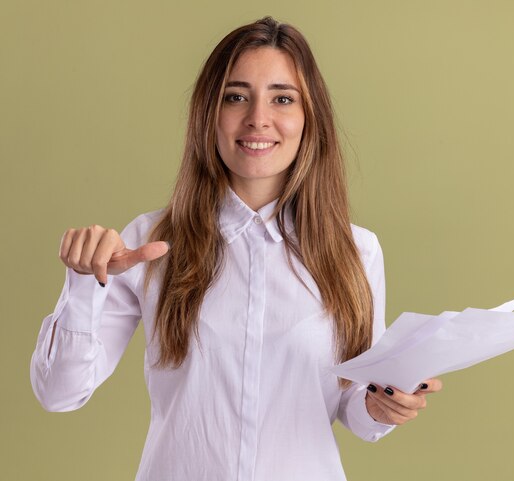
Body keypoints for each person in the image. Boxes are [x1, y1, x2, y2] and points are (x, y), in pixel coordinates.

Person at [30, 16, 442, 481]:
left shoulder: (356, 251)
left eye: (282, 98)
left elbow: (355, 405)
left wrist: (384, 406)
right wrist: (85, 284)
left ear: (309, 118)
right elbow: (59, 393)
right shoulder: (149, 244)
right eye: (235, 96)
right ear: (210, 114)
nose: (257, 119)